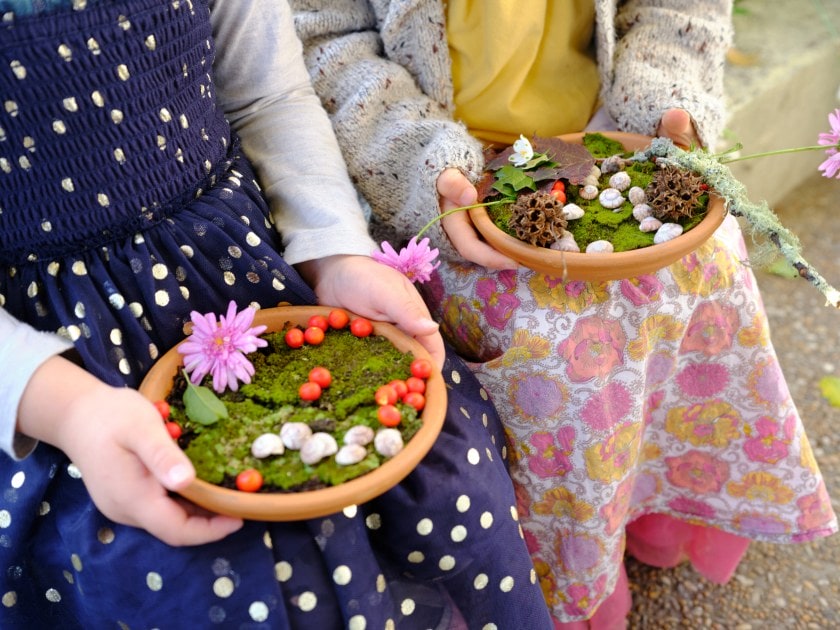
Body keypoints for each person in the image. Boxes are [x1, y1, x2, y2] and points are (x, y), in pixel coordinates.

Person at [0, 1, 555, 627]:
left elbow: (268, 96)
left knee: (450, 482)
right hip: (62, 365)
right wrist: (65, 406)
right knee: (197, 583)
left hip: (243, 271)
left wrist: (334, 253)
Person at [290, 0, 839, 627]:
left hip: (602, 139)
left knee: (709, 264)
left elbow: (679, 13)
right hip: (436, 179)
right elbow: (326, 38)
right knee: (552, 341)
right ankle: (561, 562)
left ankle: (655, 493)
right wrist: (423, 164)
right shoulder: (425, 169)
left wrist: (660, 102)